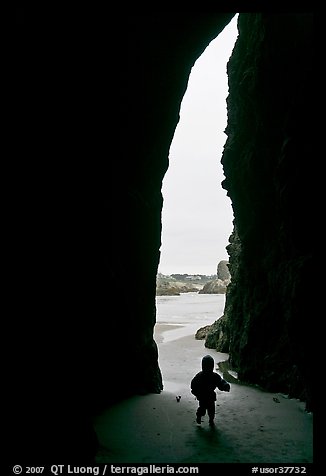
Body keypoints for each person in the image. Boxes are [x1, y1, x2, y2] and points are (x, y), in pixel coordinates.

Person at [190, 354, 230, 426]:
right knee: (202, 409)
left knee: (211, 410)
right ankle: (199, 416)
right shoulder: (201, 376)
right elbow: (193, 384)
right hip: (203, 396)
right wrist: (195, 391)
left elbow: (220, 382)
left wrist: (225, 385)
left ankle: (211, 420)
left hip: (208, 396)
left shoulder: (211, 376)